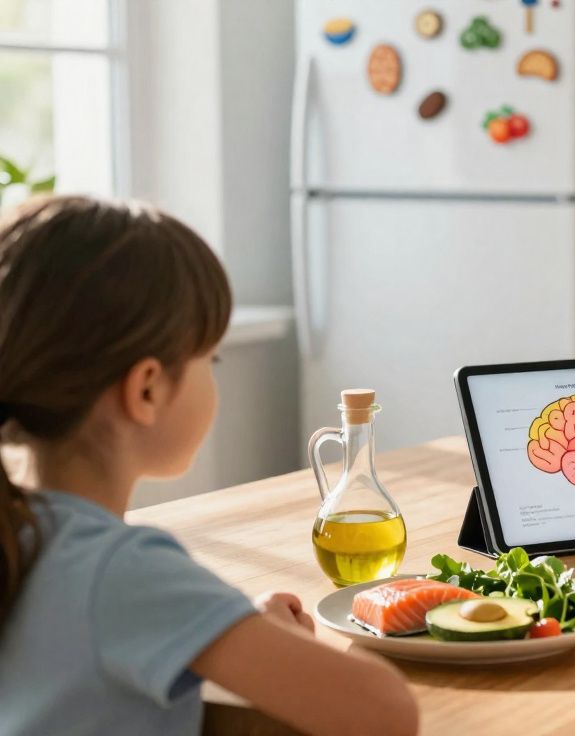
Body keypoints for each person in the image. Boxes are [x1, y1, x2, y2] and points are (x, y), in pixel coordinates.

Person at [0, 196, 419, 735]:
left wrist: (229, 628)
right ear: (146, 389)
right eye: (210, 359)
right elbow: (385, 714)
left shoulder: (28, 537)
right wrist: (267, 640)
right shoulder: (121, 570)